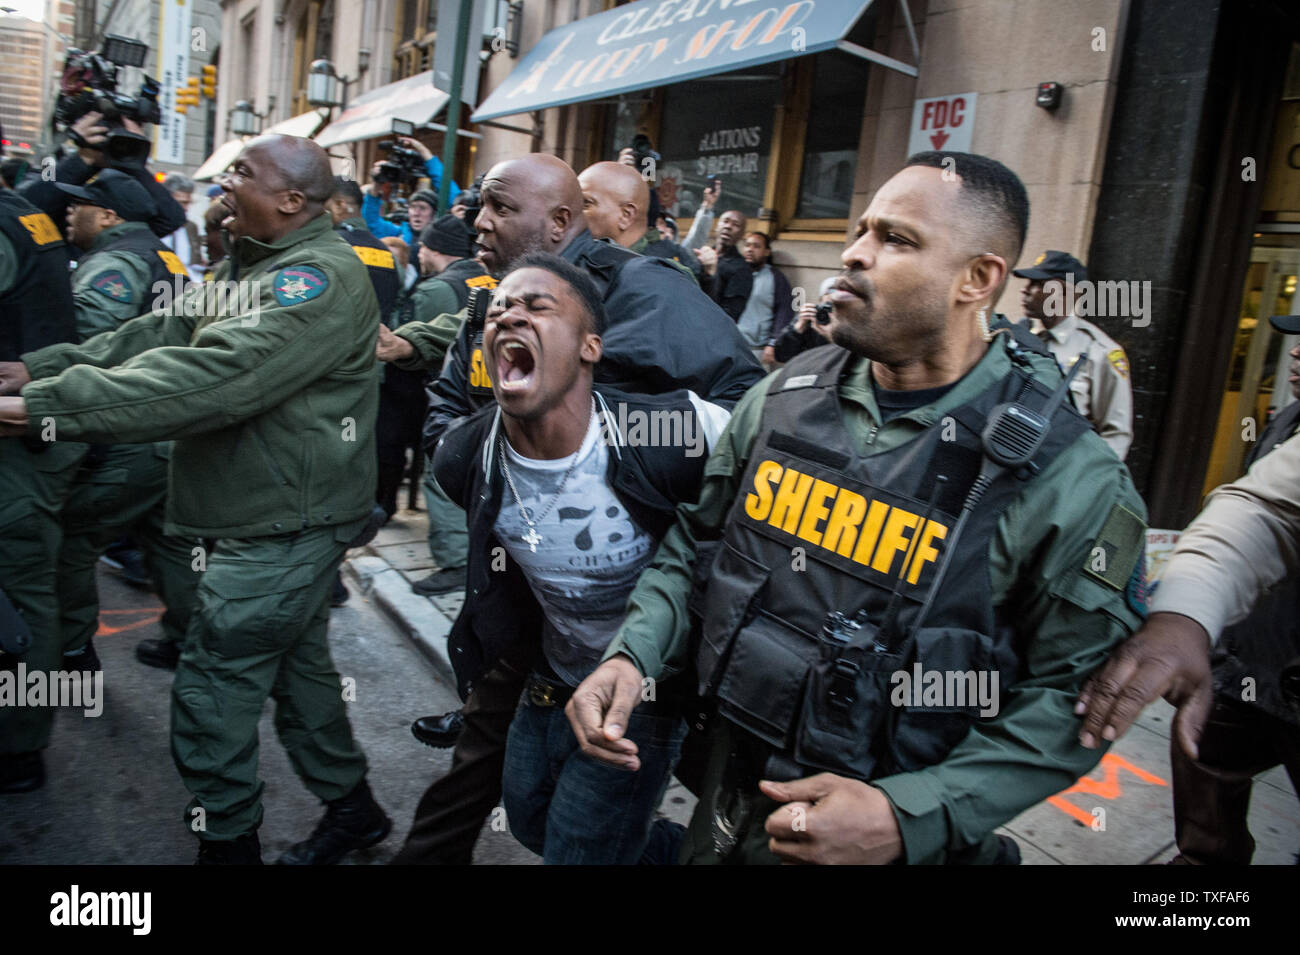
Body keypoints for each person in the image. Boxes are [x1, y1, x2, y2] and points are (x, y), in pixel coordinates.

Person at [567, 151, 1148, 865]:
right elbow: (698, 544)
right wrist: (634, 653)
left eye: (896, 239)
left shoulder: (1068, 477)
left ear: (979, 278)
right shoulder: (783, 395)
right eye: (861, 229)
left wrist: (911, 817)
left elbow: (1072, 701)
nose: (854, 252)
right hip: (727, 810)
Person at [0, 134, 390, 864]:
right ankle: (356, 811)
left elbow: (210, 378)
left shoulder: (315, 281)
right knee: (300, 676)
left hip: (283, 524)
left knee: (211, 691)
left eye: (242, 172)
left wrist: (46, 403)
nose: (224, 182)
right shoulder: (257, 262)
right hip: (271, 516)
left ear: (292, 201)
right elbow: (159, 331)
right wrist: (41, 368)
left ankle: (230, 848)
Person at [385, 153, 763, 865]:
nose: (479, 220)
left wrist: (607, 442)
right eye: (477, 206)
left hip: (643, 618)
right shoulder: (487, 300)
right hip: (531, 597)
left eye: (497, 206)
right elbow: (448, 406)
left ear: (559, 222)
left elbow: (746, 414)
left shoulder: (645, 291)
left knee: (653, 786)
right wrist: (501, 469)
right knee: (511, 786)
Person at [434, 253, 724, 862]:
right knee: (527, 819)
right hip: (551, 672)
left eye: (537, 306)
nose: (510, 314)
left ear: (591, 346)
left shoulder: (676, 433)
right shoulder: (465, 457)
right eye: (499, 309)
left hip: (645, 690)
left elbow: (759, 470)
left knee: (576, 851)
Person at [1078, 321, 1300, 863]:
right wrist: (1187, 615)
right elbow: (1264, 510)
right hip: (1250, 661)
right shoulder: (1288, 419)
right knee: (1206, 770)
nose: (1297, 352)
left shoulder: (1100, 352)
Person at [49, 170, 200, 672]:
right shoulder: (165, 254)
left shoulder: (116, 260)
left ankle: (71, 650)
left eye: (81, 206)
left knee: (72, 539)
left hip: (131, 432)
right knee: (170, 541)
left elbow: (88, 343)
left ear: (109, 216)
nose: (70, 214)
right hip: (173, 431)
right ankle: (191, 644)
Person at [0, 169, 85, 793]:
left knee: (24, 595)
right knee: (32, 588)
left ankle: (20, 746)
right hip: (38, 435)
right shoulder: (27, 213)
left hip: (18, 441)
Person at [395, 214, 495, 597]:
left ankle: (456, 561)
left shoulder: (435, 290)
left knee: (444, 472)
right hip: (482, 394)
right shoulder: (484, 279)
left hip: (457, 395)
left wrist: (404, 344)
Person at [1015, 250, 1133, 459]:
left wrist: (1091, 482)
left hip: (1059, 466)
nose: (1026, 291)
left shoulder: (1099, 351)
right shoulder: (1022, 337)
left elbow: (1116, 434)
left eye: (1038, 284)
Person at [19, 111, 186, 245]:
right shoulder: (58, 170)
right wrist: (83, 158)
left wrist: (133, 160)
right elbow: (28, 208)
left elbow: (171, 219)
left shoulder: (126, 185)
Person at [577, 161, 701, 284]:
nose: (572, 213)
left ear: (626, 215)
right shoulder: (577, 259)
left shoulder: (663, 278)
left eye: (586, 204)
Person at [362, 137, 460, 245]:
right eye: (413, 207)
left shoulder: (442, 234)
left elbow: (454, 198)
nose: (416, 213)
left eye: (423, 208)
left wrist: (424, 151)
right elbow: (371, 222)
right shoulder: (399, 233)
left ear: (434, 213)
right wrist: (377, 184)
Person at [736, 231, 794, 366]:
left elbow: (784, 312)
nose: (750, 249)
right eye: (747, 245)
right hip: (729, 344)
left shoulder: (775, 277)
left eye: (756, 246)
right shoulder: (734, 272)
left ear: (767, 252)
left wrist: (774, 343)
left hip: (757, 350)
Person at [693, 208, 752, 321]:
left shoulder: (741, 269)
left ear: (741, 235)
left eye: (735, 224)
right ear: (717, 226)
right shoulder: (703, 254)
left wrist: (711, 274)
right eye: (725, 221)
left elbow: (730, 315)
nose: (728, 226)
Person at [772, 278, 837, 364]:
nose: (834, 296)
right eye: (830, 291)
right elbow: (781, 355)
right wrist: (798, 328)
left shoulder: (851, 320)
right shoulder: (810, 316)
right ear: (821, 299)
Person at [160, 174, 206, 282]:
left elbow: (195, 262)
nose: (186, 208)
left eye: (188, 203)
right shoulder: (154, 226)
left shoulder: (191, 227)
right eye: (182, 203)